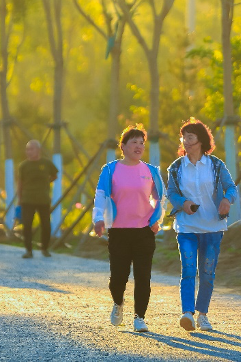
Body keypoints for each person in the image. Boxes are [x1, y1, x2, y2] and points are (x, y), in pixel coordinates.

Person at [165, 118, 238, 332]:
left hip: (213, 228)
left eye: (190, 137)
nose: (186, 142)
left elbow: (231, 187)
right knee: (188, 270)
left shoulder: (215, 165)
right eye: (184, 138)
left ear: (201, 141)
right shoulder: (177, 167)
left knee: (207, 273)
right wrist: (183, 203)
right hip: (187, 227)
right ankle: (187, 313)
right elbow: (171, 193)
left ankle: (202, 315)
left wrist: (227, 200)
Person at [93, 125, 165, 333]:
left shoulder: (151, 171)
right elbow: (100, 196)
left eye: (142, 143)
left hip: (144, 231)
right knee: (118, 277)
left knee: (143, 276)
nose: (139, 146)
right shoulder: (110, 170)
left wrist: (155, 218)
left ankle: (140, 317)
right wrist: (98, 219)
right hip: (118, 231)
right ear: (123, 147)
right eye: (134, 142)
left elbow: (160, 198)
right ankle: (118, 303)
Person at [17, 139, 59, 259]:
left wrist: (46, 183)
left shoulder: (46, 163)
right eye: (27, 149)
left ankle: (44, 248)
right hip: (27, 199)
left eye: (31, 149)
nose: (29, 152)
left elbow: (55, 175)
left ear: (38, 150)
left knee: (46, 225)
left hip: (43, 199)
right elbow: (20, 183)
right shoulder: (23, 166)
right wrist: (19, 200)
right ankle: (28, 250)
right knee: (27, 225)